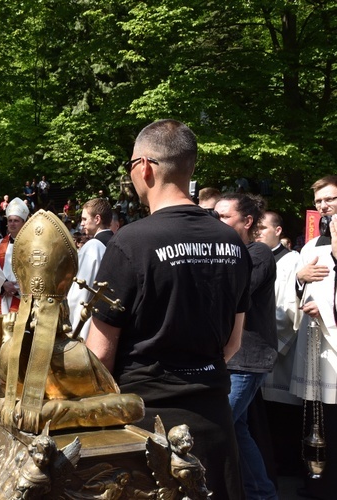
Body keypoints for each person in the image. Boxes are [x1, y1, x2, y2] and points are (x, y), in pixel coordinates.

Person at [85, 119, 250, 499]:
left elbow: (99, 354)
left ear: (145, 167)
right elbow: (233, 343)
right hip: (213, 419)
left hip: (146, 430)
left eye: (131, 166)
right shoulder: (231, 242)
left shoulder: (130, 243)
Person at [215, 192, 278, 499]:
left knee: (220, 426)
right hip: (232, 358)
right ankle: (261, 494)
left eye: (224, 216)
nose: (217, 222)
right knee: (237, 430)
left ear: (247, 221)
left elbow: (235, 293)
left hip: (248, 358)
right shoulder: (230, 253)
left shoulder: (259, 253)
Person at [290, 175, 337, 499]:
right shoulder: (309, 246)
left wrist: (328, 312)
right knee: (315, 416)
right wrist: (298, 278)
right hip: (314, 343)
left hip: (334, 342)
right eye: (320, 201)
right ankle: (316, 477)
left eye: (330, 199)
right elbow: (300, 290)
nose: (324, 206)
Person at [257, 210, 303, 476]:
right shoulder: (252, 256)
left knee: (283, 414)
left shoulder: (291, 261)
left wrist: (266, 337)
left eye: (264, 227)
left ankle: (287, 465)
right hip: (260, 346)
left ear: (278, 231)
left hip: (281, 349)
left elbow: (289, 309)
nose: (258, 232)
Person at [66, 197, 113, 334]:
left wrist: (72, 328)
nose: (81, 224)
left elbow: (80, 293)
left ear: (97, 219)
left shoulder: (93, 247)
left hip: (90, 323)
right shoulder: (117, 242)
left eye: (85, 219)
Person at [0, 197, 29, 315]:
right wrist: (3, 284)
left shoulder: (32, 246)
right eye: (10, 220)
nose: (12, 223)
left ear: (24, 223)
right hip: (1, 298)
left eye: (16, 221)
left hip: (23, 298)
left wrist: (17, 289)